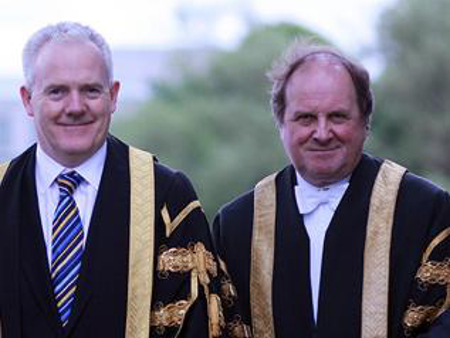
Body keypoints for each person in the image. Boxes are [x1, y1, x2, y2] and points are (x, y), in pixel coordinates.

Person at [0, 22, 250, 338]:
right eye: (57, 91)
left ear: (113, 95)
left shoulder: (167, 197)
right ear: (26, 99)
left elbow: (197, 327)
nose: (75, 107)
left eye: (90, 90)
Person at [213, 41, 450, 337]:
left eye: (337, 116)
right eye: (305, 118)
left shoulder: (425, 211)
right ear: (281, 125)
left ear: (365, 121)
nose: (322, 133)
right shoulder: (237, 225)